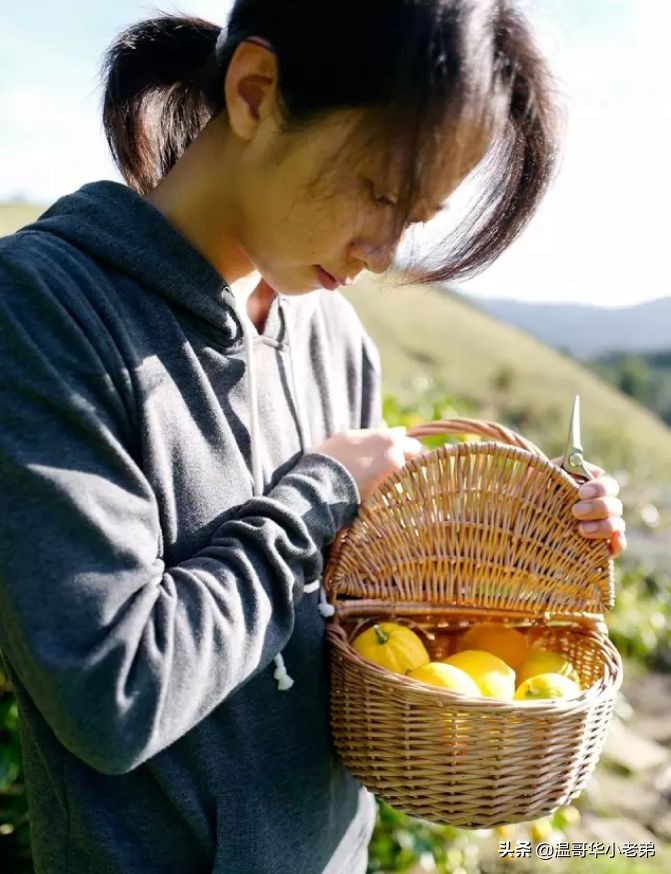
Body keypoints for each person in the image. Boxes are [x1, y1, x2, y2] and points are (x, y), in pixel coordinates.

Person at [0, 1, 626, 872]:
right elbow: (114, 694)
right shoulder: (43, 310)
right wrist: (319, 495)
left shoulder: (336, 341)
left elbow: (363, 622)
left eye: (417, 216)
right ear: (256, 92)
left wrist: (538, 546)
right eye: (380, 191)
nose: (384, 252)